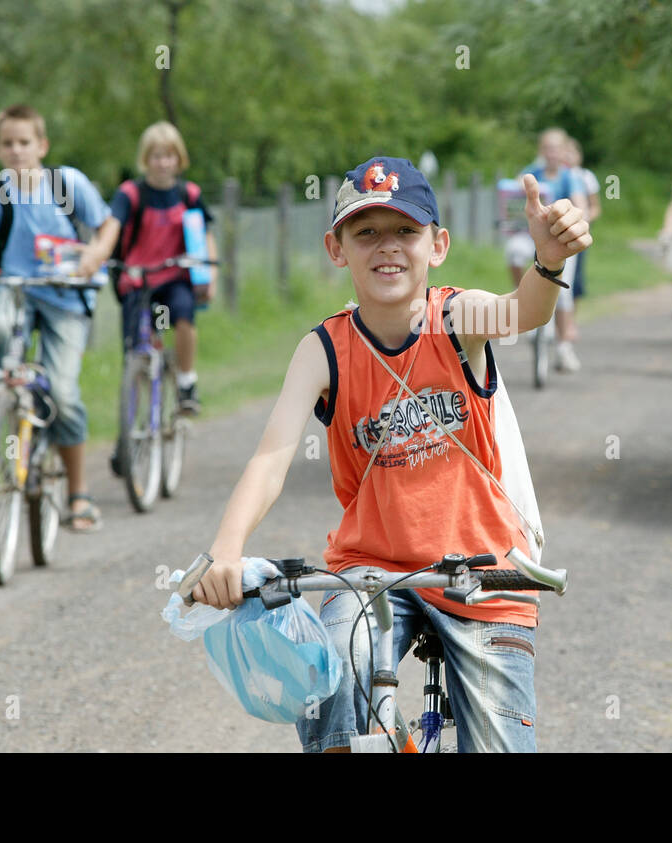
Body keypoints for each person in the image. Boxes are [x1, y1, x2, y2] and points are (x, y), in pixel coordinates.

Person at [189, 156, 591, 752]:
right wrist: (226, 551)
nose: (388, 247)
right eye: (366, 231)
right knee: (330, 681)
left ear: (438, 245)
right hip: (371, 572)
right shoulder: (323, 349)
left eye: (406, 230)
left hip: (480, 571)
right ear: (337, 247)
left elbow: (524, 310)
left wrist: (549, 261)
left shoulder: (458, 316)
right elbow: (270, 460)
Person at [0, 104, 120, 532]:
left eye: (24, 142)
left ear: (42, 145)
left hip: (66, 295)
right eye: (7, 143)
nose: (16, 151)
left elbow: (107, 224)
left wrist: (96, 253)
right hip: (16, 288)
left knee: (65, 393)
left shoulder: (67, 182)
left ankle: (78, 492)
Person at [110, 121, 218, 416]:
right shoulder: (130, 194)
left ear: (178, 159)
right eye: (156, 156)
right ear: (145, 159)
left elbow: (206, 233)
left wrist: (210, 274)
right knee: (134, 347)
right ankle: (135, 412)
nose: (162, 162)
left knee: (184, 317)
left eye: (168, 156)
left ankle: (186, 382)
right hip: (138, 279)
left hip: (175, 277)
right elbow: (112, 227)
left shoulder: (189, 194)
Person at [506, 128, 589, 372]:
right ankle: (520, 292)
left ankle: (564, 346)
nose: (552, 154)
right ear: (542, 151)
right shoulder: (532, 172)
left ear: (564, 151)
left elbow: (581, 204)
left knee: (562, 293)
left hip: (560, 241)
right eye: (547, 149)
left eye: (556, 149)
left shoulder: (570, 177)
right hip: (530, 236)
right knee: (512, 251)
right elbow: (512, 192)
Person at [565, 138, 601, 312]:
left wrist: (583, 221)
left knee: (575, 276)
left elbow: (595, 207)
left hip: (578, 230)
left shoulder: (586, 177)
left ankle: (571, 317)